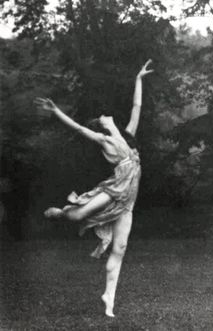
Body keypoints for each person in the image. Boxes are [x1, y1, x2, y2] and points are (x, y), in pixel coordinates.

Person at [34, 59, 154, 317]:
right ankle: (59, 212)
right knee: (77, 215)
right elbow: (78, 128)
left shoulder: (128, 135)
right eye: (103, 116)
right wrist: (56, 111)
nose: (107, 114)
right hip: (113, 191)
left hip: (128, 202)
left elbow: (137, 106)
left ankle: (109, 296)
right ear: (102, 125)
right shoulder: (103, 139)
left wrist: (138, 79)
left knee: (120, 248)